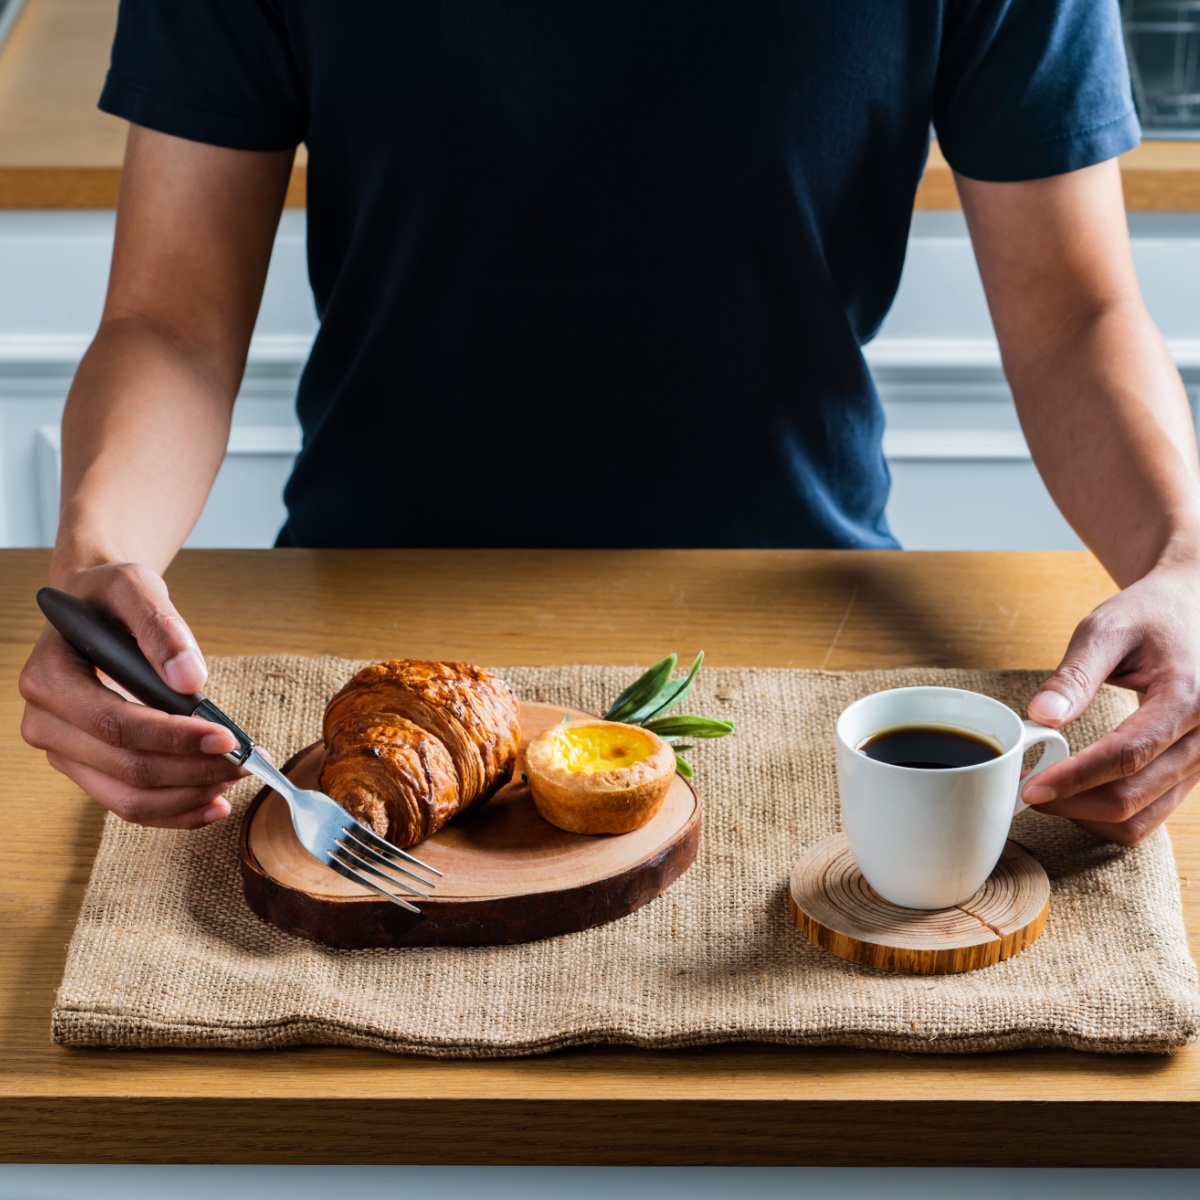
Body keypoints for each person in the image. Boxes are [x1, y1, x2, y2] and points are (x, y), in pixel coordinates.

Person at [18, 1, 1200, 847]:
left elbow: (1077, 314)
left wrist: (1186, 558)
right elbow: (169, 320)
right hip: (361, 632)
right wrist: (97, 558)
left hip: (806, 645)